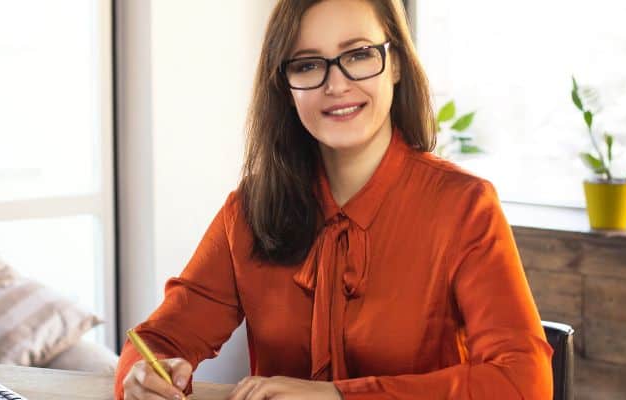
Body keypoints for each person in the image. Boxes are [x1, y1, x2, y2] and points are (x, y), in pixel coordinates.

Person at [115, 0, 554, 399]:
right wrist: (142, 377)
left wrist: (341, 396)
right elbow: (155, 342)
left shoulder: (465, 206)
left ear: (395, 63)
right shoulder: (250, 209)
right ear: (285, 85)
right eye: (307, 65)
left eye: (359, 55)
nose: (336, 84)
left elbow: (523, 381)